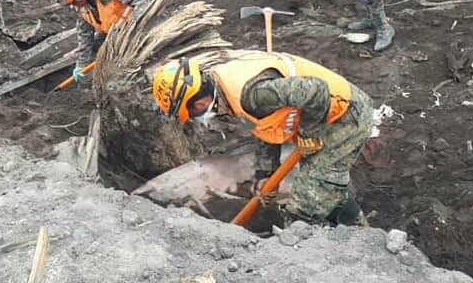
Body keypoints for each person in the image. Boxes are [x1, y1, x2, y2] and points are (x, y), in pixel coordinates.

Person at [151, 50, 373, 226]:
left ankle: (346, 239)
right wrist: (265, 174)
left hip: (344, 115)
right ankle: (351, 223)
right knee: (320, 183)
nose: (196, 118)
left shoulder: (253, 95)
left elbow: (317, 91)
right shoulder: (229, 95)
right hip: (318, 114)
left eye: (193, 114)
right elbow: (264, 128)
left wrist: (309, 132)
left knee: (304, 209)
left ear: (198, 103)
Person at [49, 0, 149, 85]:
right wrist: (81, 64)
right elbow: (85, 36)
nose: (77, 3)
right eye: (73, 1)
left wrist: (128, 27)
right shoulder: (80, 6)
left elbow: (143, 1)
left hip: (139, 28)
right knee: (96, 47)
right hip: (112, 35)